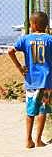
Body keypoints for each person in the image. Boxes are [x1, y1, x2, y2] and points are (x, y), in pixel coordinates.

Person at [7, 11, 52, 149]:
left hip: (31, 80)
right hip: (47, 80)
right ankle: (38, 140)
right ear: (45, 25)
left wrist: (20, 68)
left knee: (30, 110)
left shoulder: (25, 39)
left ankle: (28, 140)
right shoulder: (50, 39)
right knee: (43, 109)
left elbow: (10, 51)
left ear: (33, 24)